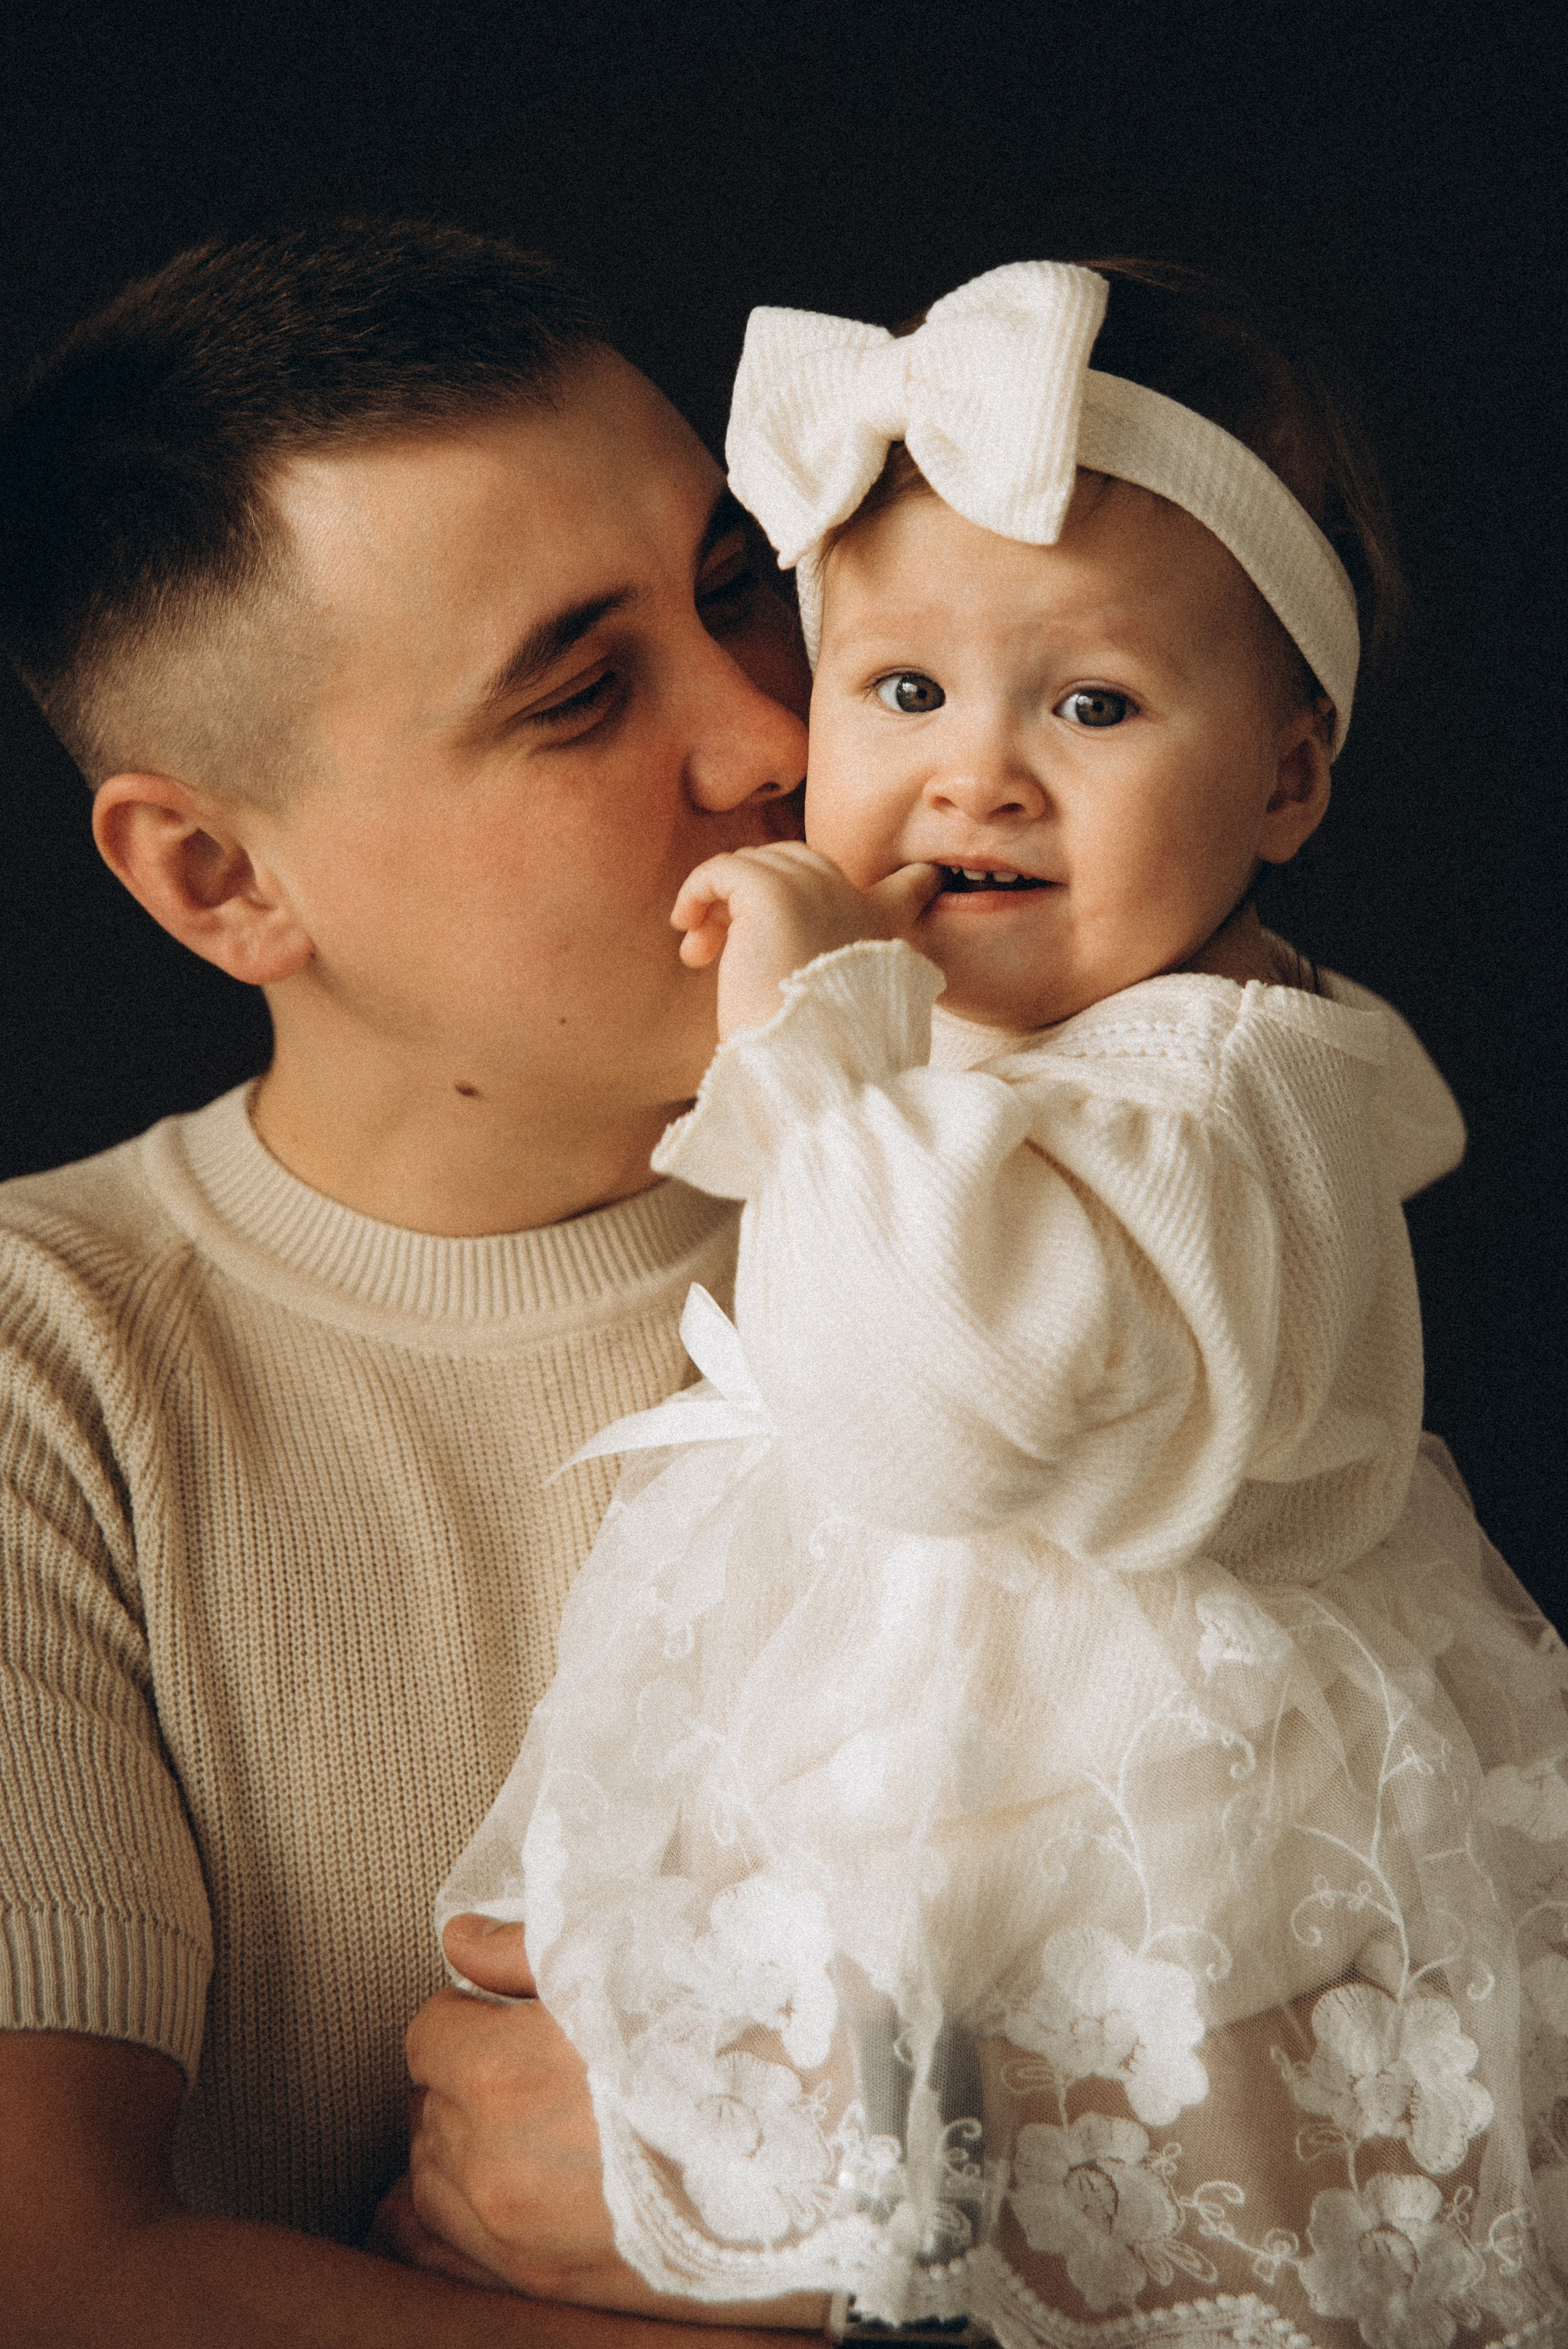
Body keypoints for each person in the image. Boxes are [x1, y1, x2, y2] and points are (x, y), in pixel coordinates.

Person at [441, 262, 1568, 2349]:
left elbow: (939, 1411)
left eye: (1094, 705)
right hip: (923, 1819)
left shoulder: (1218, 1104)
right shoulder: (1036, 1059)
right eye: (901, 695)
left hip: (1153, 1852)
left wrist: (814, 1026)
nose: (978, 779)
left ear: (1290, 782)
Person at [0, 219, 825, 2345]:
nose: (775, 741)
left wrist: (874, 2230)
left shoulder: (1072, 1224)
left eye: (738, 588)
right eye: (581, 694)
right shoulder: (50, 1362)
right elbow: (57, 2280)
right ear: (221, 876)